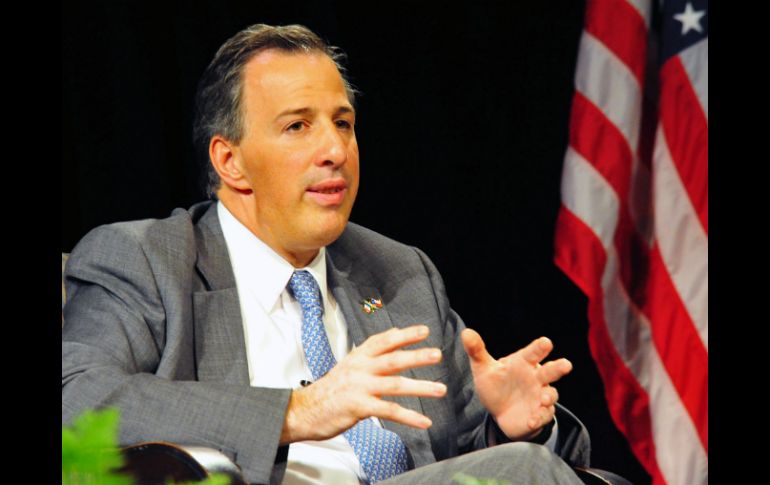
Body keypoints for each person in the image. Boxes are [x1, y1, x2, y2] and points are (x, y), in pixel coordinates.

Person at [62, 23, 591, 485]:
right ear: (230, 161)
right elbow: (76, 400)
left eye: (342, 123)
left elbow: (466, 464)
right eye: (298, 126)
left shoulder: (400, 273)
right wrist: (299, 410)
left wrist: (508, 426)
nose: (336, 150)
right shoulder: (147, 261)